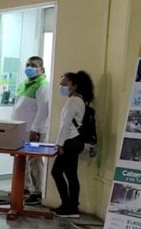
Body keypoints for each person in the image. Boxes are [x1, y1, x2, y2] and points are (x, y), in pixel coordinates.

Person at [51, 71, 94, 218]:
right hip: (75, 141)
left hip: (70, 141)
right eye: (61, 84)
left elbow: (65, 125)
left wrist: (59, 144)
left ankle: (68, 205)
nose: (61, 87)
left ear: (74, 86)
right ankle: (71, 206)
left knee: (56, 172)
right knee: (70, 174)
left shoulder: (73, 101)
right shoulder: (79, 100)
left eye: (65, 84)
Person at [11, 56, 49, 205]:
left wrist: (36, 129)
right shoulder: (24, 84)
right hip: (20, 130)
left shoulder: (42, 85)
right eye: (27, 65)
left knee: (34, 161)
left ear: (41, 68)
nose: (29, 67)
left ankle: (37, 191)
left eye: (33, 65)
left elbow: (43, 110)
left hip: (34, 130)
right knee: (21, 160)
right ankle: (23, 187)